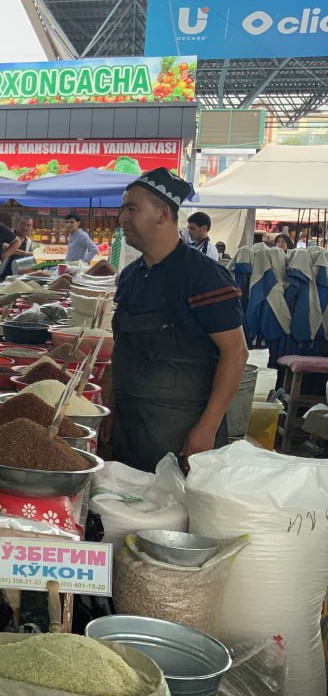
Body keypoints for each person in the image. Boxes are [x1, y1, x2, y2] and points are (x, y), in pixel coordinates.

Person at [108, 169, 248, 472]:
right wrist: (110, 407)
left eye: (131, 208)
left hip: (181, 430)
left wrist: (208, 426)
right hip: (130, 426)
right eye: (122, 210)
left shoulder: (204, 276)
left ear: (162, 213)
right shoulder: (130, 276)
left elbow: (236, 353)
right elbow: (121, 348)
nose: (122, 219)